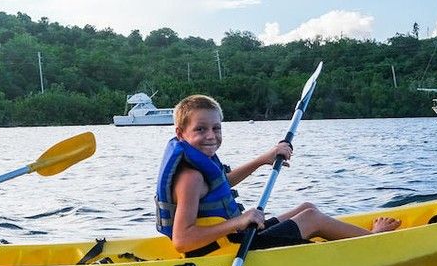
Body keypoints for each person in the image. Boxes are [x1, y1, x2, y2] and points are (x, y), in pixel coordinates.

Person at [156, 94, 399, 257]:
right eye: (200, 129)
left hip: (231, 239)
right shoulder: (190, 178)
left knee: (306, 206)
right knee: (312, 218)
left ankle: (343, 246)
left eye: (216, 128)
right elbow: (182, 240)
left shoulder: (200, 169)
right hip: (224, 252)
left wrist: (264, 159)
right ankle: (373, 241)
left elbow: (220, 184)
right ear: (180, 133)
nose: (211, 135)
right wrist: (238, 222)